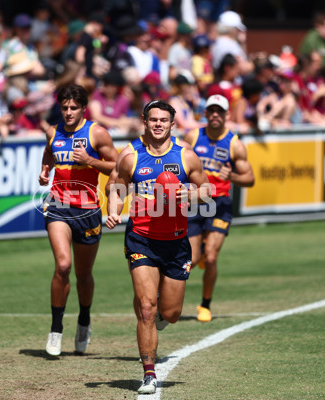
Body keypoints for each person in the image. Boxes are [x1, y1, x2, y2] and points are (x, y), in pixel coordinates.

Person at [106, 100, 211, 394]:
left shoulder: (186, 156)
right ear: (144, 121)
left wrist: (190, 192)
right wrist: (114, 210)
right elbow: (116, 186)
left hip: (177, 242)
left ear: (172, 124)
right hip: (141, 239)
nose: (158, 125)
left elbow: (206, 191)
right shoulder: (130, 155)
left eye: (164, 120)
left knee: (172, 313)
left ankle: (164, 315)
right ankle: (149, 374)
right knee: (147, 308)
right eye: (153, 119)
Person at [38, 84, 118, 357]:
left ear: (83, 108)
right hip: (58, 205)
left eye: (74, 108)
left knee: (84, 275)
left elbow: (119, 166)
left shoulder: (96, 133)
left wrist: (91, 161)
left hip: (88, 210)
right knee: (63, 264)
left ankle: (84, 320)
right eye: (64, 108)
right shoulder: (53, 132)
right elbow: (49, 152)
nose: (68, 112)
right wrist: (44, 170)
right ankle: (55, 330)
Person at [183, 94, 254, 323]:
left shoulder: (234, 144)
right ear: (205, 113)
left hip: (218, 203)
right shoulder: (193, 136)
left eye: (219, 111)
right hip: (194, 203)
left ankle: (205, 304)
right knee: (191, 260)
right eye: (211, 110)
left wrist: (232, 175)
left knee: (211, 257)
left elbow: (250, 178)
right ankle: (167, 299)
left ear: (227, 115)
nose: (215, 115)